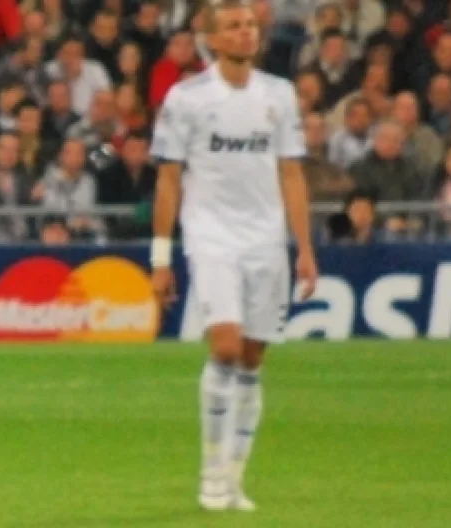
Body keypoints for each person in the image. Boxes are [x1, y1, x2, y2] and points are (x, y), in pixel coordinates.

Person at [148, 0, 318, 513]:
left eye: (250, 25)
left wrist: (305, 248)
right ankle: (210, 474)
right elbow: (169, 178)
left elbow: (291, 172)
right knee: (224, 347)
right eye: (234, 26)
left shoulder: (278, 95)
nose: (246, 33)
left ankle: (234, 479)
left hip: (266, 239)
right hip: (211, 237)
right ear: (213, 39)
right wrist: (161, 257)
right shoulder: (187, 98)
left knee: (251, 360)